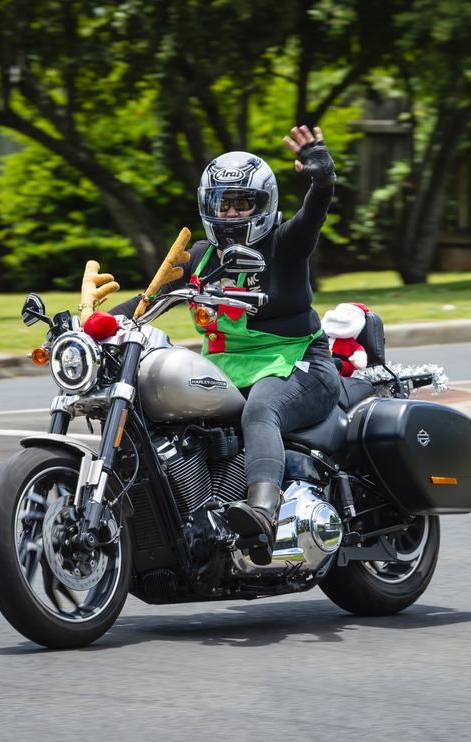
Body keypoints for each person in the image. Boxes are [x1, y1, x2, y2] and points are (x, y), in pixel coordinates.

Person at [113, 126, 340, 565]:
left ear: (265, 205)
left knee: (261, 409)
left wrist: (322, 181)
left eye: (244, 203)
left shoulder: (284, 244)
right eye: (224, 203)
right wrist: (95, 324)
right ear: (208, 206)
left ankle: (262, 512)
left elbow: (313, 217)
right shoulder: (199, 256)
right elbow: (149, 297)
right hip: (227, 371)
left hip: (297, 365)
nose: (233, 214)